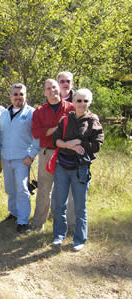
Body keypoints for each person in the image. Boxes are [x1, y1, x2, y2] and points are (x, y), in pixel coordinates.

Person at [51, 88, 104, 251]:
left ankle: (79, 239)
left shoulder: (93, 120)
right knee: (59, 204)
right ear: (73, 102)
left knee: (80, 206)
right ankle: (59, 235)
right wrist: (68, 144)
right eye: (79, 100)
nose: (82, 104)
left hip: (80, 169)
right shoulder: (65, 120)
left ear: (89, 103)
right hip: (62, 166)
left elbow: (97, 144)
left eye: (85, 101)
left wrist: (79, 143)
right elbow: (55, 140)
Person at [29, 79, 74, 232]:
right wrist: (57, 127)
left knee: (67, 190)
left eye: (54, 87)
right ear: (44, 92)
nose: (52, 90)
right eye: (48, 88)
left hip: (67, 153)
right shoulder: (39, 111)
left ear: (59, 88)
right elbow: (37, 133)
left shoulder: (71, 108)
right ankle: (37, 223)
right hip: (47, 152)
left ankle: (70, 225)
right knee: (43, 189)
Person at [0, 83, 40, 233]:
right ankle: (14, 213)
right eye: (15, 94)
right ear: (10, 96)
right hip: (6, 157)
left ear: (25, 96)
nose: (18, 97)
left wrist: (31, 155)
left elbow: (37, 137)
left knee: (22, 189)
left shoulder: (32, 113)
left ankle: (23, 220)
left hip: (23, 159)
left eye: (21, 94)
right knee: (10, 188)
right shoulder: (4, 113)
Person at [57, 71, 77, 232]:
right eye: (62, 81)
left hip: (72, 151)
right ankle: (56, 218)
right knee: (55, 188)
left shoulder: (78, 100)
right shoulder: (51, 98)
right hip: (53, 149)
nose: (65, 83)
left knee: (72, 190)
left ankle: (72, 224)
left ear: (72, 83)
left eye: (68, 81)